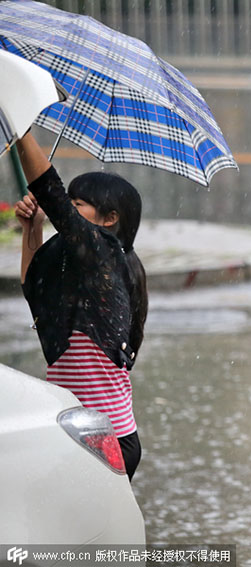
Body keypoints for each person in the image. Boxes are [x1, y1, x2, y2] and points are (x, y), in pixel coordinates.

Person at [14, 132, 148, 481]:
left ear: (109, 219)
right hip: (78, 429)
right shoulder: (85, 272)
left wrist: (22, 131)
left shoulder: (106, 256)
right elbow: (34, 289)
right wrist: (33, 228)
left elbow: (50, 193)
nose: (68, 212)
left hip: (106, 438)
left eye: (78, 205)